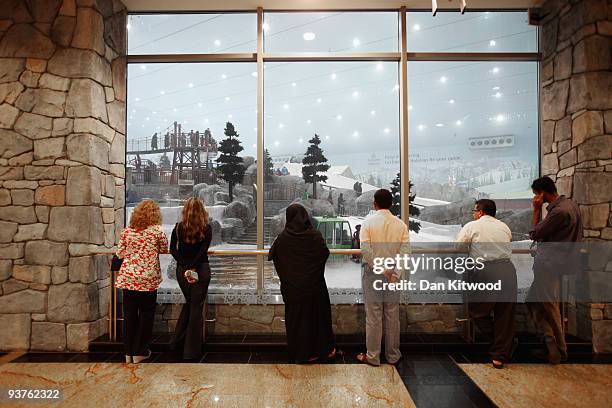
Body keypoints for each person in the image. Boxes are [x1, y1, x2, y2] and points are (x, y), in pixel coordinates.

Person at [268, 204, 337, 363]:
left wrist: (289, 277)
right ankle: (321, 351)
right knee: (317, 320)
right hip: (315, 288)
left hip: (293, 290)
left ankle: (300, 353)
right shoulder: (315, 236)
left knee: (296, 322)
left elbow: (274, 257)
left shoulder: (283, 238)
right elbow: (324, 254)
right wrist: (312, 274)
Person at [457, 199, 517, 369]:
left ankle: (503, 345)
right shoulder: (504, 226)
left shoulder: (472, 226)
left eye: (474, 211)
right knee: (505, 314)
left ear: (481, 212)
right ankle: (501, 352)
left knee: (476, 310)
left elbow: (459, 246)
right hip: (507, 270)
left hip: (485, 271)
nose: (473, 214)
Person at [528, 176, 582, 364]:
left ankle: (559, 350)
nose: (535, 198)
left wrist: (535, 209)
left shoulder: (558, 212)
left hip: (549, 265)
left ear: (542, 193)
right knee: (534, 301)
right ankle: (550, 345)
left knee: (550, 307)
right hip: (559, 263)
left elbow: (534, 232)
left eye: (536, 194)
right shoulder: (571, 205)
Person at [357, 189, 409, 366]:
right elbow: (405, 252)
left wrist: (380, 268)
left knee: (373, 316)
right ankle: (393, 355)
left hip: (373, 274)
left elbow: (365, 249)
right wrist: (396, 273)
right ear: (392, 204)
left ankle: (373, 356)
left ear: (374, 203)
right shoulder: (400, 224)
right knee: (392, 315)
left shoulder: (368, 223)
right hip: (394, 275)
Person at [116, 199, 168, 364]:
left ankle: (128, 353)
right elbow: (165, 249)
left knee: (129, 315)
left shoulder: (128, 231)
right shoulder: (157, 231)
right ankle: (140, 351)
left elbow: (120, 253)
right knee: (146, 315)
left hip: (128, 278)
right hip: (147, 279)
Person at [170, 197, 213, 360]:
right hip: (200, 270)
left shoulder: (178, 228)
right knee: (196, 308)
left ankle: (175, 343)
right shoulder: (206, 228)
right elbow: (203, 251)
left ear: (185, 210)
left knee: (190, 304)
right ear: (202, 210)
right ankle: (191, 351)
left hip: (182, 271)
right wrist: (193, 266)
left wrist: (185, 265)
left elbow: (172, 249)